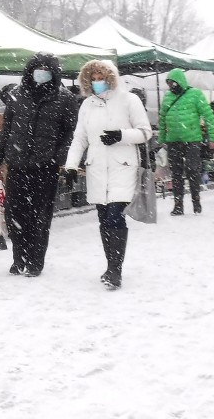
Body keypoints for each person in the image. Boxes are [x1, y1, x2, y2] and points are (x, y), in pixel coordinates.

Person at [0, 52, 78, 277]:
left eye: (46, 69)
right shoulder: (17, 95)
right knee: (15, 214)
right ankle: (19, 258)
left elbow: (70, 133)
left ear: (53, 73)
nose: (41, 73)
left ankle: (36, 261)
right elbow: (6, 130)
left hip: (45, 167)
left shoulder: (64, 98)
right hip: (18, 165)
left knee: (40, 216)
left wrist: (60, 158)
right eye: (38, 68)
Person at [64, 60, 151, 290]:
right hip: (96, 169)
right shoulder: (87, 105)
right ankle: (110, 264)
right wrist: (71, 165)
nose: (97, 81)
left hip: (123, 166)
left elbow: (145, 132)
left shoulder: (129, 100)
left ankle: (115, 269)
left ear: (111, 76)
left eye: (101, 76)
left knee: (115, 215)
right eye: (92, 78)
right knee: (103, 218)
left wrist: (121, 135)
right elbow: (79, 138)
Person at [158, 68, 214, 215]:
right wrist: (162, 138)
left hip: (192, 140)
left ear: (180, 81)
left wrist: (213, 137)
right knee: (176, 173)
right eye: (169, 83)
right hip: (173, 141)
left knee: (193, 170)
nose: (172, 86)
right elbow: (162, 119)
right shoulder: (167, 97)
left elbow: (208, 116)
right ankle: (178, 205)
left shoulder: (195, 94)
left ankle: (195, 201)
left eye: (174, 82)